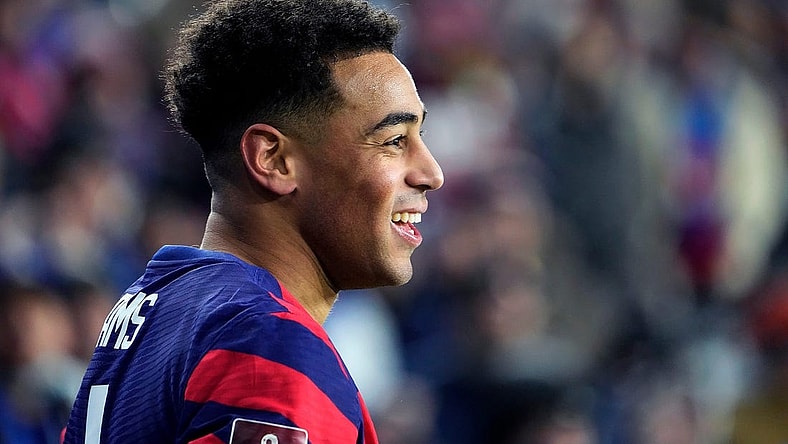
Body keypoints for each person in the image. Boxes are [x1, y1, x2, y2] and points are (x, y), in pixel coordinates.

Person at [62, 0, 444, 442]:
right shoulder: (269, 340)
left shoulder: (147, 308)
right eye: (394, 140)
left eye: (420, 136)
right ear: (273, 160)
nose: (432, 173)